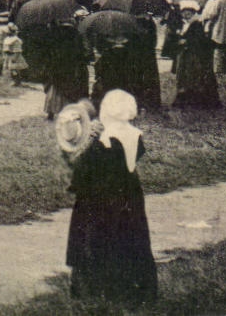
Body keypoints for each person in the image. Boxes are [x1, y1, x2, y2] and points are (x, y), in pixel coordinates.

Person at [62, 89, 156, 306]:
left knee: (95, 240)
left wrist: (86, 142)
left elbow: (83, 172)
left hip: (99, 199)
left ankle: (94, 288)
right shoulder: (134, 135)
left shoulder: (103, 141)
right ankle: (135, 286)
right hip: (129, 195)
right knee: (131, 238)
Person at [170, 1, 220, 110]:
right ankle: (185, 98)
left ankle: (194, 100)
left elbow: (198, 40)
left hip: (193, 55)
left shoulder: (196, 24)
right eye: (184, 13)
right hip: (185, 54)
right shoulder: (185, 23)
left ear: (193, 13)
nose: (186, 15)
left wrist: (186, 41)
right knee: (184, 77)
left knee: (193, 77)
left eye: (188, 13)